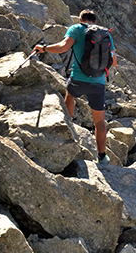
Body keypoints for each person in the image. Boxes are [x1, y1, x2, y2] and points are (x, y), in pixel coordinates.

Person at [33, 9, 117, 165]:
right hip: (98, 83)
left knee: (70, 96)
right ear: (95, 22)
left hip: (78, 79)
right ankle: (102, 157)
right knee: (99, 122)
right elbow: (114, 62)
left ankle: (68, 126)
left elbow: (63, 47)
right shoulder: (106, 35)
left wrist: (43, 48)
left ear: (80, 19)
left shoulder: (76, 29)